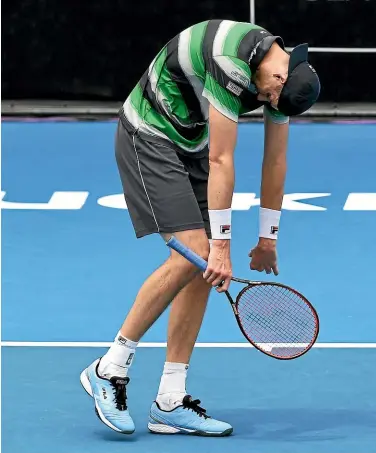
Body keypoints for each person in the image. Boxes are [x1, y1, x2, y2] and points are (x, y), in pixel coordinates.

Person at [80, 19, 320, 437]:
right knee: (194, 251)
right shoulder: (232, 64)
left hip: (190, 141)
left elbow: (275, 162)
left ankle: (170, 399)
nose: (264, 102)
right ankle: (109, 367)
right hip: (149, 135)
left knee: (201, 262)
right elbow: (222, 161)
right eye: (267, 96)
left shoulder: (282, 78)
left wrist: (268, 236)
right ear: (278, 76)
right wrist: (222, 248)